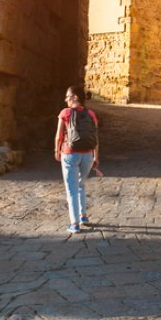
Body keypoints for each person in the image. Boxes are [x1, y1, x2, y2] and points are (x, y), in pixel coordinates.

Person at [55, 88, 98, 234]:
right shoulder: (91, 113)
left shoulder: (65, 113)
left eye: (67, 97)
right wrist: (96, 156)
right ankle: (83, 215)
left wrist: (57, 151)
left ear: (74, 97)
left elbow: (59, 136)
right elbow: (95, 137)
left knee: (71, 188)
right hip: (87, 155)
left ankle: (74, 224)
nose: (65, 100)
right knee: (81, 184)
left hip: (70, 153)